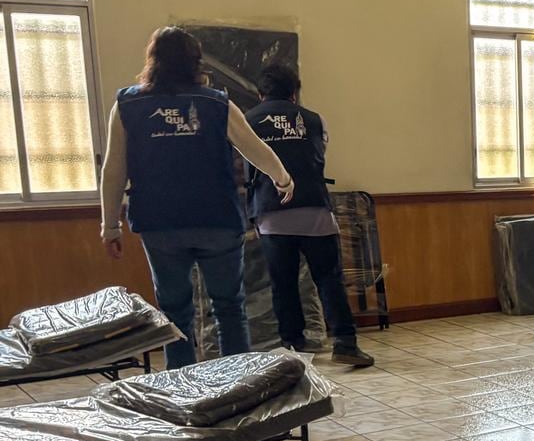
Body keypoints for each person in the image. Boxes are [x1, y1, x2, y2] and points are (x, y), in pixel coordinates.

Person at [98, 26, 294, 370]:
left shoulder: (128, 105)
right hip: (217, 220)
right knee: (230, 308)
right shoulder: (216, 103)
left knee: (174, 314)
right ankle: (237, 386)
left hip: (160, 224)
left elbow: (114, 169)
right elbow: (253, 148)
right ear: (195, 62)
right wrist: (283, 178)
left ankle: (183, 388)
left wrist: (110, 226)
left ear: (153, 59)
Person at [245, 64, 374, 368]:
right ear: (295, 92)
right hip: (314, 210)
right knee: (329, 279)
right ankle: (345, 343)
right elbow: (319, 155)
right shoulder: (315, 120)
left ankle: (293, 346)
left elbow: (245, 163)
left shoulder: (247, 121)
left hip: (271, 213)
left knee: (283, 283)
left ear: (260, 93)